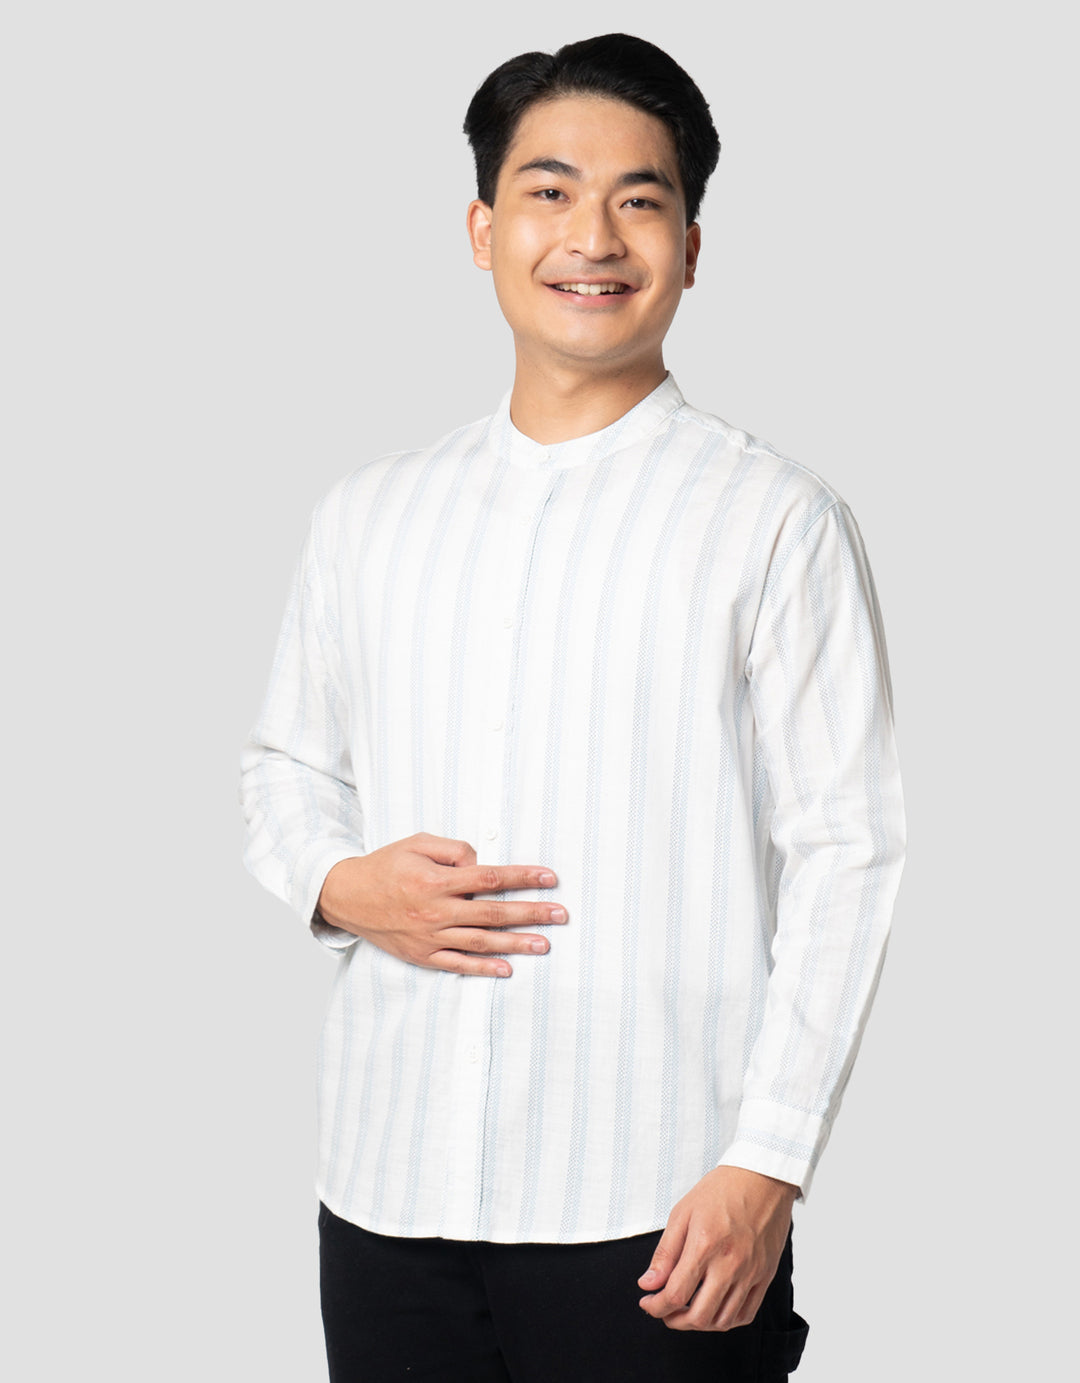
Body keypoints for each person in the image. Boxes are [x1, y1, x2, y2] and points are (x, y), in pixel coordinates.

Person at [239, 32, 905, 1382]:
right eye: (548, 192)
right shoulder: (369, 514)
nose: (591, 237)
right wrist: (338, 884)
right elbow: (283, 766)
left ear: (692, 248)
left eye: (638, 200)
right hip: (386, 1187)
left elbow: (849, 852)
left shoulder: (776, 521)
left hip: (660, 1204)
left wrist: (769, 1162)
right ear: (482, 230)